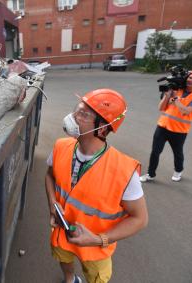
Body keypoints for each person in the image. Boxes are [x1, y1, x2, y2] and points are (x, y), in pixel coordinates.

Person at [45, 89, 148, 283]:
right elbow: (50, 176)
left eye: (83, 115)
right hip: (62, 231)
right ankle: (70, 279)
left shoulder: (124, 171)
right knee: (63, 259)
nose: (73, 117)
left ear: (101, 129)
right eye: (77, 110)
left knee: (96, 277)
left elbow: (140, 219)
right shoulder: (61, 146)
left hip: (96, 246)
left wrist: (98, 240)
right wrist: (52, 204)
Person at [140, 68, 192, 182]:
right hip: (162, 126)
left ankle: (178, 170)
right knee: (155, 152)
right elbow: (161, 108)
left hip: (179, 131)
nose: (190, 80)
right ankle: (150, 174)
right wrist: (167, 96)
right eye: (190, 77)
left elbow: (186, 111)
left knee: (177, 153)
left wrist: (176, 99)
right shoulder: (176, 88)